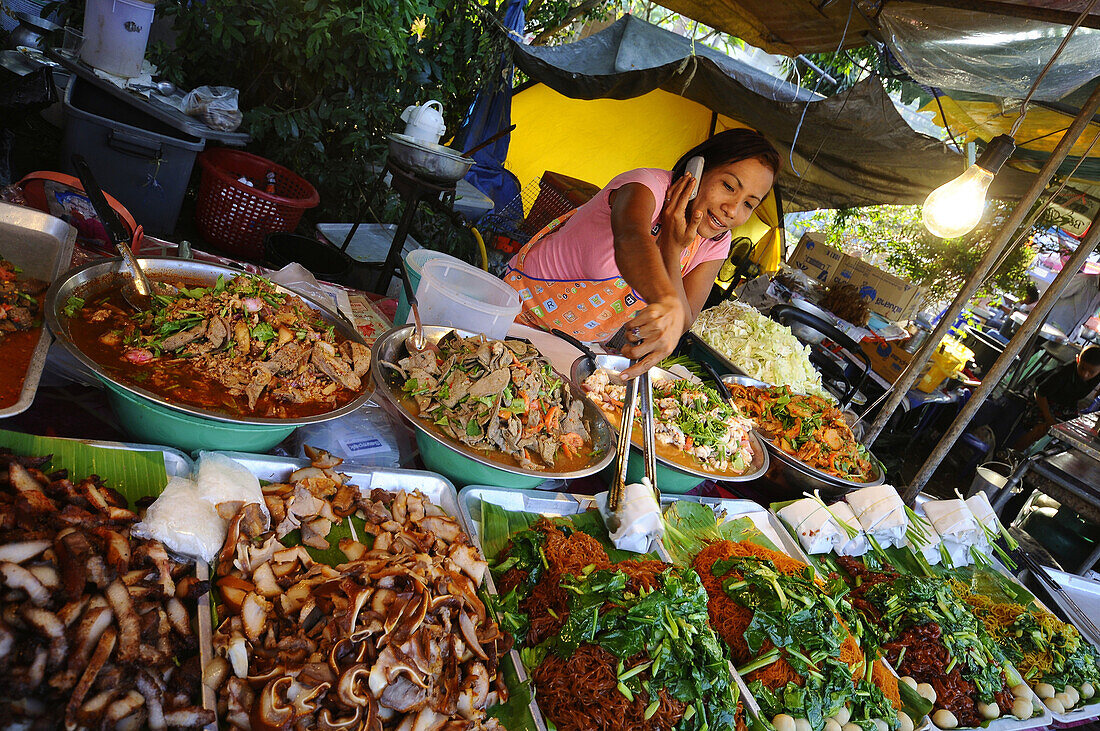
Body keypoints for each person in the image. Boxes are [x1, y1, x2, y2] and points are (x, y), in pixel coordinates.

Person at [503, 128, 780, 379]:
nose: (732, 209)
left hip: (572, 349)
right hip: (510, 317)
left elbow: (683, 320)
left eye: (748, 204)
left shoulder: (716, 241)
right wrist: (667, 298)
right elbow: (630, 240)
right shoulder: (647, 186)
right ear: (698, 169)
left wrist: (673, 249)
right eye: (729, 187)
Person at [1013, 344, 1100, 451]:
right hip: (1044, 401)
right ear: (1078, 360)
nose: (1085, 374)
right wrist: (1049, 418)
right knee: (1043, 428)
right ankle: (1011, 455)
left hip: (1066, 404)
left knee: (1077, 434)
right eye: (1082, 368)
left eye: (1091, 372)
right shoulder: (1062, 374)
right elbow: (1040, 393)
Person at [1043, 271, 1100, 340]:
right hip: (1048, 329)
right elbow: (1054, 293)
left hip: (1068, 336)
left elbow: (1086, 317)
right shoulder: (1084, 280)